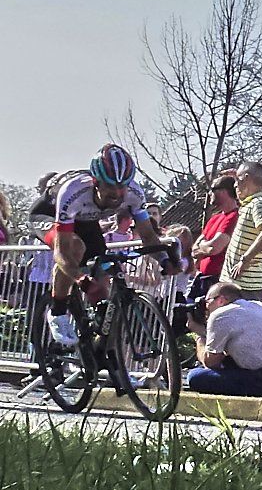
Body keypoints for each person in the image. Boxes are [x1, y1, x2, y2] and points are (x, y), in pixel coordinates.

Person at [32, 145, 183, 348]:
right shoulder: (73, 192)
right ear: (96, 182)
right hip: (49, 214)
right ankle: (58, 311)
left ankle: (109, 358)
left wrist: (164, 260)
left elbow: (148, 235)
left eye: (123, 186)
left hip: (86, 220)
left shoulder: (135, 195)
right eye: (110, 186)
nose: (118, 192)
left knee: (103, 281)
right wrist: (80, 279)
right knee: (74, 248)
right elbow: (62, 251)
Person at [184, 281, 262, 398]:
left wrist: (200, 337)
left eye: (207, 302)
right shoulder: (258, 305)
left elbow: (211, 363)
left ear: (221, 300)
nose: (206, 307)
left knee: (195, 376)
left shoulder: (220, 314)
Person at [218, 160, 262, 305]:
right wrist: (238, 177)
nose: (235, 187)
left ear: (246, 179)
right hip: (239, 282)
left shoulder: (258, 203)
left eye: (237, 183)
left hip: (246, 284)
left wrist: (244, 260)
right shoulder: (251, 203)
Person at [189, 173, 240, 299]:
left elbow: (215, 248)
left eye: (212, 190)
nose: (210, 194)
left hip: (218, 281)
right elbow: (195, 249)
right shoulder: (214, 218)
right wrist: (206, 247)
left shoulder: (234, 216)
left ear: (223, 192)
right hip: (202, 278)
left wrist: (204, 247)